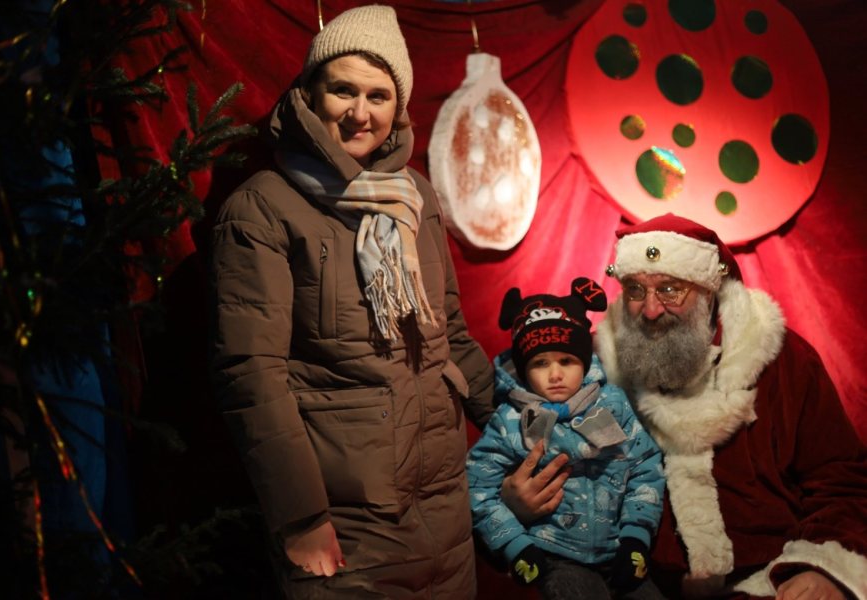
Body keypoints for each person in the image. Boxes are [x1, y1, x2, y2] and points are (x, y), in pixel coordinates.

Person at [207, 5, 495, 597]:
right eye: (343, 90)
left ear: (398, 108)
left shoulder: (414, 196)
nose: (360, 113)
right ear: (311, 94)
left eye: (378, 95)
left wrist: (522, 433)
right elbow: (252, 374)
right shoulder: (262, 208)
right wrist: (301, 516)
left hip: (445, 510)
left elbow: (450, 335)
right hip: (347, 524)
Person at [502, 214, 867, 599]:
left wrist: (821, 568)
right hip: (627, 576)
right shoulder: (588, 366)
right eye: (635, 290)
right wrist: (516, 501)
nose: (650, 310)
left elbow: (841, 480)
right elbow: (513, 440)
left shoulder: (780, 360)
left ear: (709, 291)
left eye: (670, 289)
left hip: (763, 578)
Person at [467, 277, 666, 599]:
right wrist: (516, 546)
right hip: (555, 556)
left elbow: (645, 467)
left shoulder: (613, 404)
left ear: (584, 362)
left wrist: (635, 538)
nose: (556, 374)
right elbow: (477, 489)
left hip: (618, 548)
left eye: (567, 360)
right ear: (523, 368)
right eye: (540, 363)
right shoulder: (509, 421)